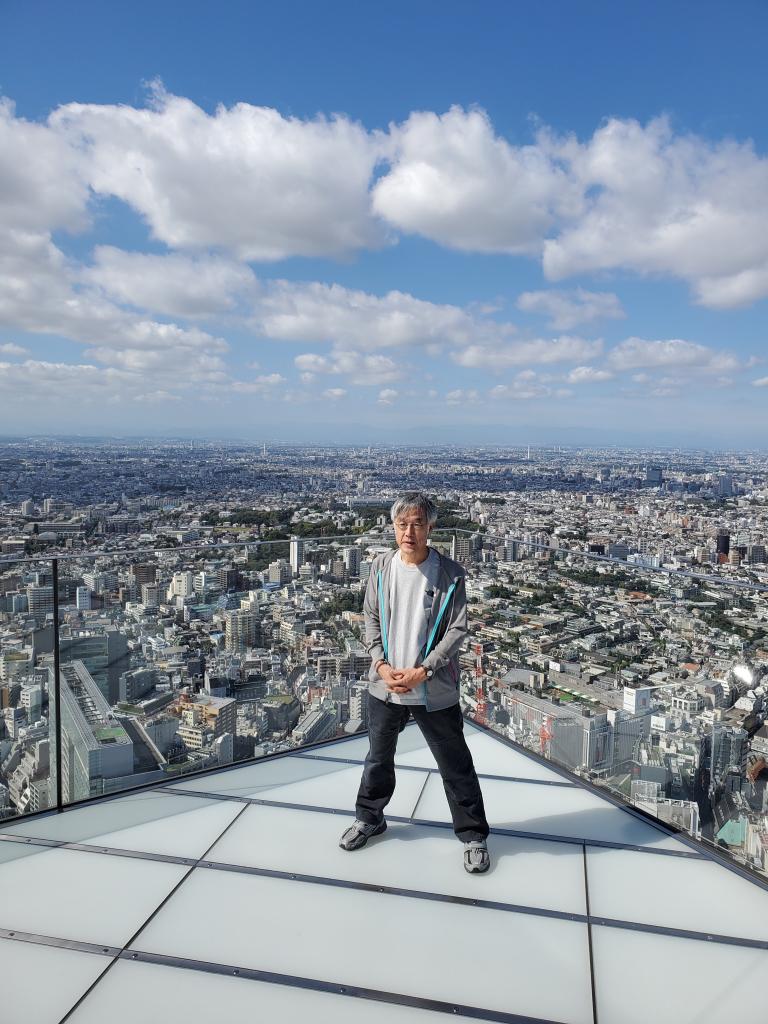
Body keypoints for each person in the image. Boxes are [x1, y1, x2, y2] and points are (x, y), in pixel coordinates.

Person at [339, 492, 490, 873]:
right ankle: (370, 818)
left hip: (432, 688)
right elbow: (370, 618)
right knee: (377, 758)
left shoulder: (451, 574)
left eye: (417, 524)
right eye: (402, 524)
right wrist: (381, 664)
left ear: (430, 527)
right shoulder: (380, 567)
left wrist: (424, 670)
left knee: (455, 764)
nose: (409, 531)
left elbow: (457, 631)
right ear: (393, 526)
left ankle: (473, 835)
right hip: (385, 684)